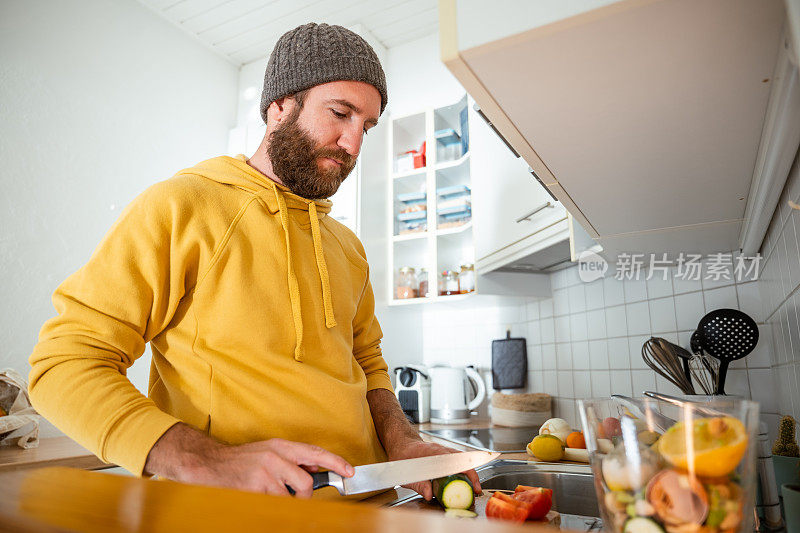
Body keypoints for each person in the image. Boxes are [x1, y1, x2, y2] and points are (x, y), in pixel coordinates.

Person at [28, 23, 481, 500]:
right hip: (233, 513)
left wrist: (403, 441)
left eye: (365, 126)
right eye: (340, 113)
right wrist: (206, 458)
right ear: (279, 106)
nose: (353, 145)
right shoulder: (182, 206)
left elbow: (367, 363)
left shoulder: (347, 246)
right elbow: (64, 364)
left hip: (369, 505)